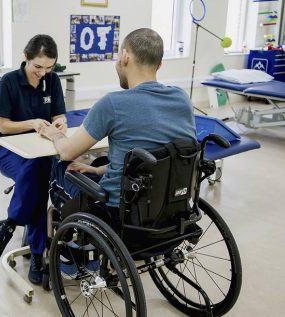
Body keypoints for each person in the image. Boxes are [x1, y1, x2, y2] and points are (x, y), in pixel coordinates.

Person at [39, 28, 196, 222]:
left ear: (125, 56)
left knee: (58, 165)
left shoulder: (113, 104)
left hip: (120, 211)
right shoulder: (182, 99)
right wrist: (97, 171)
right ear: (160, 64)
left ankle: (41, 239)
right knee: (98, 163)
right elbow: (160, 158)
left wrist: (55, 135)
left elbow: (67, 152)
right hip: (168, 208)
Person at [0, 34, 67, 285]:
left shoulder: (52, 81)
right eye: (38, 66)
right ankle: (38, 255)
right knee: (37, 173)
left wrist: (60, 121)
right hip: (9, 150)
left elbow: (59, 114)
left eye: (49, 67)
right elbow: (4, 127)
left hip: (41, 151)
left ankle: (10, 225)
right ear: (25, 58)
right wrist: (31, 123)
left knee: (38, 171)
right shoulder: (8, 82)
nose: (43, 72)